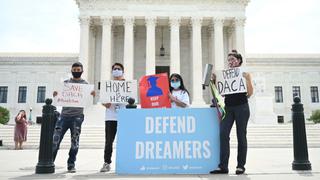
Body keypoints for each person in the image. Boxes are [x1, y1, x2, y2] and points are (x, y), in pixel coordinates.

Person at [210, 50, 253, 175]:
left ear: (239, 61)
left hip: (242, 107)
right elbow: (220, 92)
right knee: (223, 134)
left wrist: (248, 79)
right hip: (228, 107)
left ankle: (240, 166)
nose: (230, 62)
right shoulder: (224, 75)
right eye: (229, 60)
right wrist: (213, 81)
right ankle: (223, 166)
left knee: (241, 136)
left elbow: (249, 94)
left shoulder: (244, 74)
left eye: (233, 59)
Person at [52, 62, 95, 173]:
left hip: (77, 117)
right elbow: (58, 97)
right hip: (64, 116)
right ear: (71, 70)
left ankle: (71, 164)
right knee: (55, 140)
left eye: (78, 69)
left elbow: (89, 101)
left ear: (82, 71)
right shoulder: (65, 83)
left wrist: (92, 95)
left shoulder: (85, 84)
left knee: (74, 142)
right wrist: (56, 94)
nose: (76, 71)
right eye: (74, 70)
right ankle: (50, 162)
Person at [100, 63, 126, 172]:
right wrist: (105, 103)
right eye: (115, 69)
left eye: (119, 69)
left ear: (123, 71)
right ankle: (107, 163)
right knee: (109, 141)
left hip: (124, 116)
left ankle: (125, 162)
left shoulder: (128, 85)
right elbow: (103, 100)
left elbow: (133, 99)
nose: (116, 70)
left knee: (124, 141)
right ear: (112, 72)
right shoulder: (107, 85)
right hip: (111, 116)